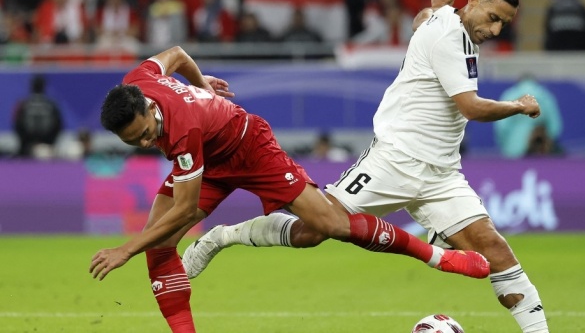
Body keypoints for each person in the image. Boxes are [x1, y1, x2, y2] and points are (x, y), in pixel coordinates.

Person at [184, 0, 550, 333]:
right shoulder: (447, 35)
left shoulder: (447, 20)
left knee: (496, 253)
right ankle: (221, 237)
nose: (497, 30)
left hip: (442, 176)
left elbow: (422, 19)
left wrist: (438, 6)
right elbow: (471, 107)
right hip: (392, 161)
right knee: (312, 231)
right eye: (493, 18)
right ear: (473, 2)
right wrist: (519, 105)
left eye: (504, 23)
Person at [88, 45, 490, 332]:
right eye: (133, 142)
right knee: (159, 248)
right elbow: (175, 54)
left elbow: (184, 210)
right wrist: (202, 84)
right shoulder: (138, 80)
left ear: (148, 108)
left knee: (331, 225)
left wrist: (126, 248)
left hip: (248, 146)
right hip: (208, 160)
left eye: (145, 133)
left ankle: (439, 257)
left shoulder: (181, 129)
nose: (144, 143)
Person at [494, 74, 563, 158]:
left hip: (513, 147)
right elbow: (555, 125)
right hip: (541, 150)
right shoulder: (545, 95)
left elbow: (501, 126)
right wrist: (550, 142)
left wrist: (504, 145)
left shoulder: (509, 95)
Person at [13, 74, 63, 158]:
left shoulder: (23, 105)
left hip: (28, 148)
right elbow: (58, 125)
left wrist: (27, 144)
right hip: (47, 147)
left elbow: (17, 125)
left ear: (31, 87)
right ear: (44, 87)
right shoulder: (51, 105)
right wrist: (50, 142)